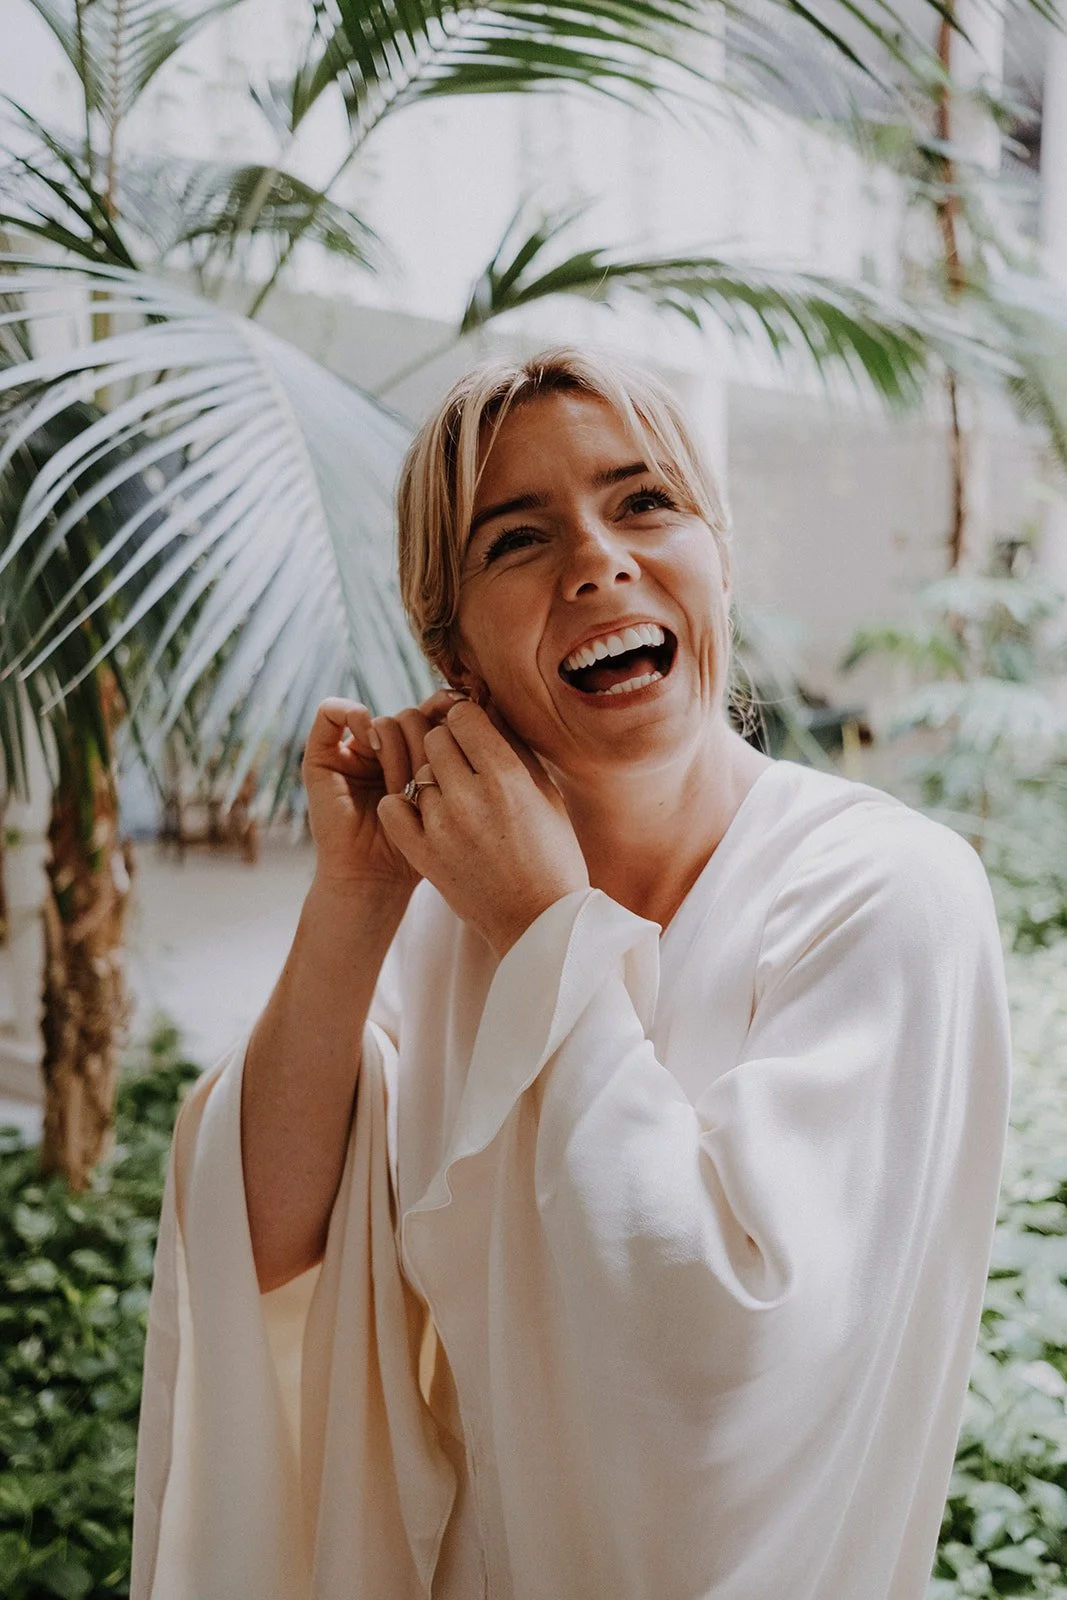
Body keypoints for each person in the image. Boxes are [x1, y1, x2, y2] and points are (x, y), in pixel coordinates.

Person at [132, 347, 1012, 1600]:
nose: (597, 559)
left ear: (716, 553)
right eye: (516, 539)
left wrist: (547, 926)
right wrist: (356, 902)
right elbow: (265, 1249)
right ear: (456, 656)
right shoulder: (446, 927)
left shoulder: (882, 891)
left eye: (642, 500)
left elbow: (722, 1359)